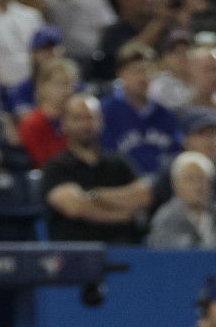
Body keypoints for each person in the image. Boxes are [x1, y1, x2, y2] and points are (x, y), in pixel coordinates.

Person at [40, 93, 151, 244]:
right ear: (65, 123)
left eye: (91, 117)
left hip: (125, 249)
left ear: (101, 121)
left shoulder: (119, 163)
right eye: (78, 118)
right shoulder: (57, 167)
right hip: (75, 253)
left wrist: (94, 195)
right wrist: (122, 215)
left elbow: (142, 196)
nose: (86, 125)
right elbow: (74, 207)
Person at [100, 41, 182, 177]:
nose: (143, 77)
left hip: (160, 188)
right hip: (121, 186)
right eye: (136, 71)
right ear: (121, 74)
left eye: (148, 70)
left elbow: (175, 156)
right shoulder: (106, 111)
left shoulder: (166, 114)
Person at [148, 150, 216, 248]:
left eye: (202, 179)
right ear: (175, 184)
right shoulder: (166, 218)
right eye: (190, 179)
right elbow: (172, 250)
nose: (198, 186)